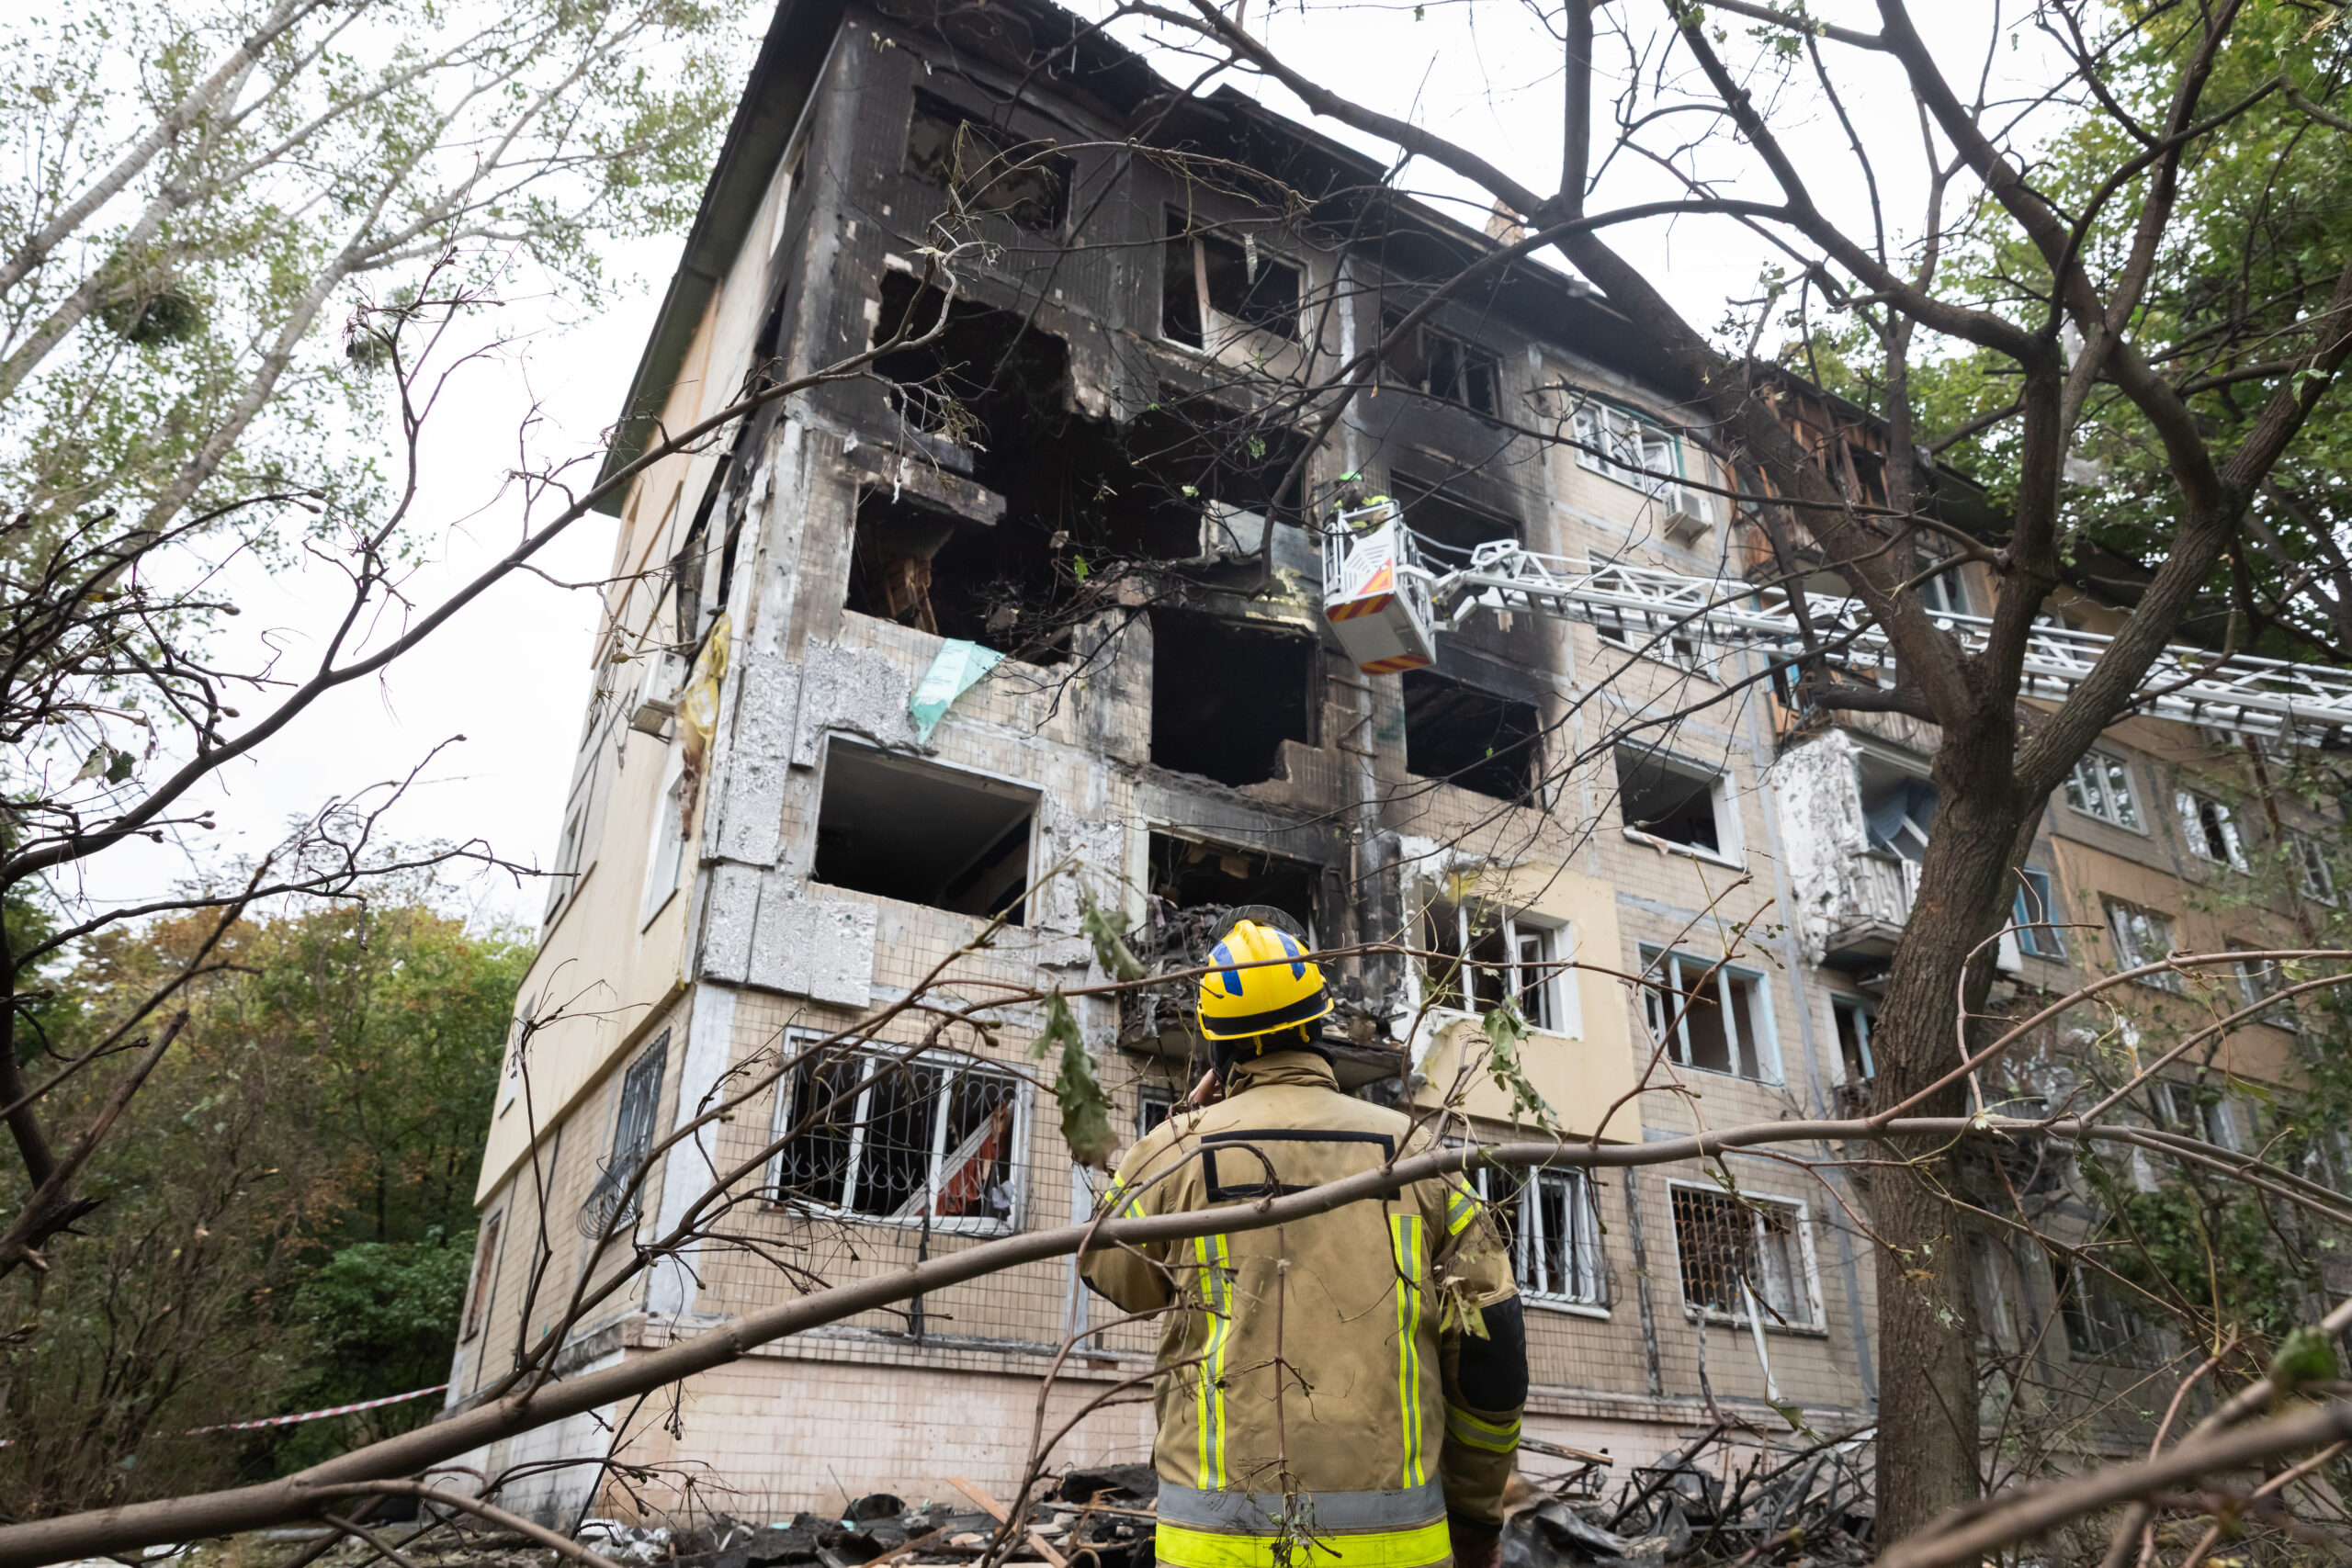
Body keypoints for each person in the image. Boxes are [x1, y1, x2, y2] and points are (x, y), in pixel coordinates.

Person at [1082, 919, 1527, 1568]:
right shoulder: (1419, 1156)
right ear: (1320, 1023)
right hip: (1397, 1548)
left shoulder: (1171, 1155)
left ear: (1216, 1044)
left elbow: (1109, 1272)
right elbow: (1493, 1357)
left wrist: (1175, 1134)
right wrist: (1477, 1516)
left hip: (1213, 1549)